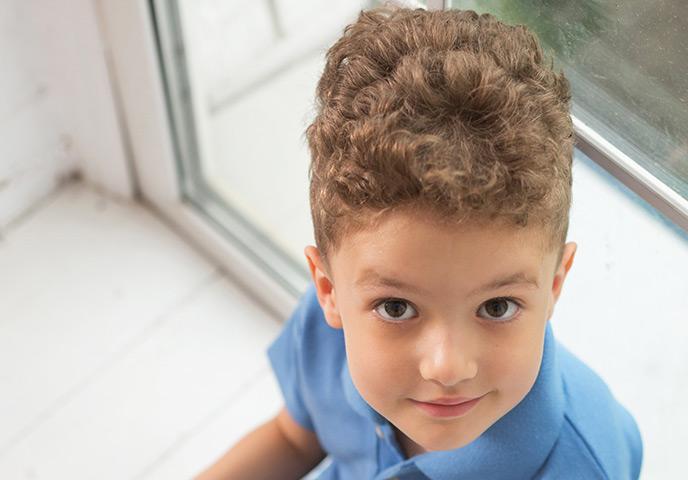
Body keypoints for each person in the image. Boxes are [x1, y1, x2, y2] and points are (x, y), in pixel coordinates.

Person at [196, 5, 643, 479]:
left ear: (555, 284)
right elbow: (293, 438)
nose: (447, 368)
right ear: (328, 290)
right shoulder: (330, 328)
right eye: (395, 308)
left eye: (497, 307)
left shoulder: (584, 468)